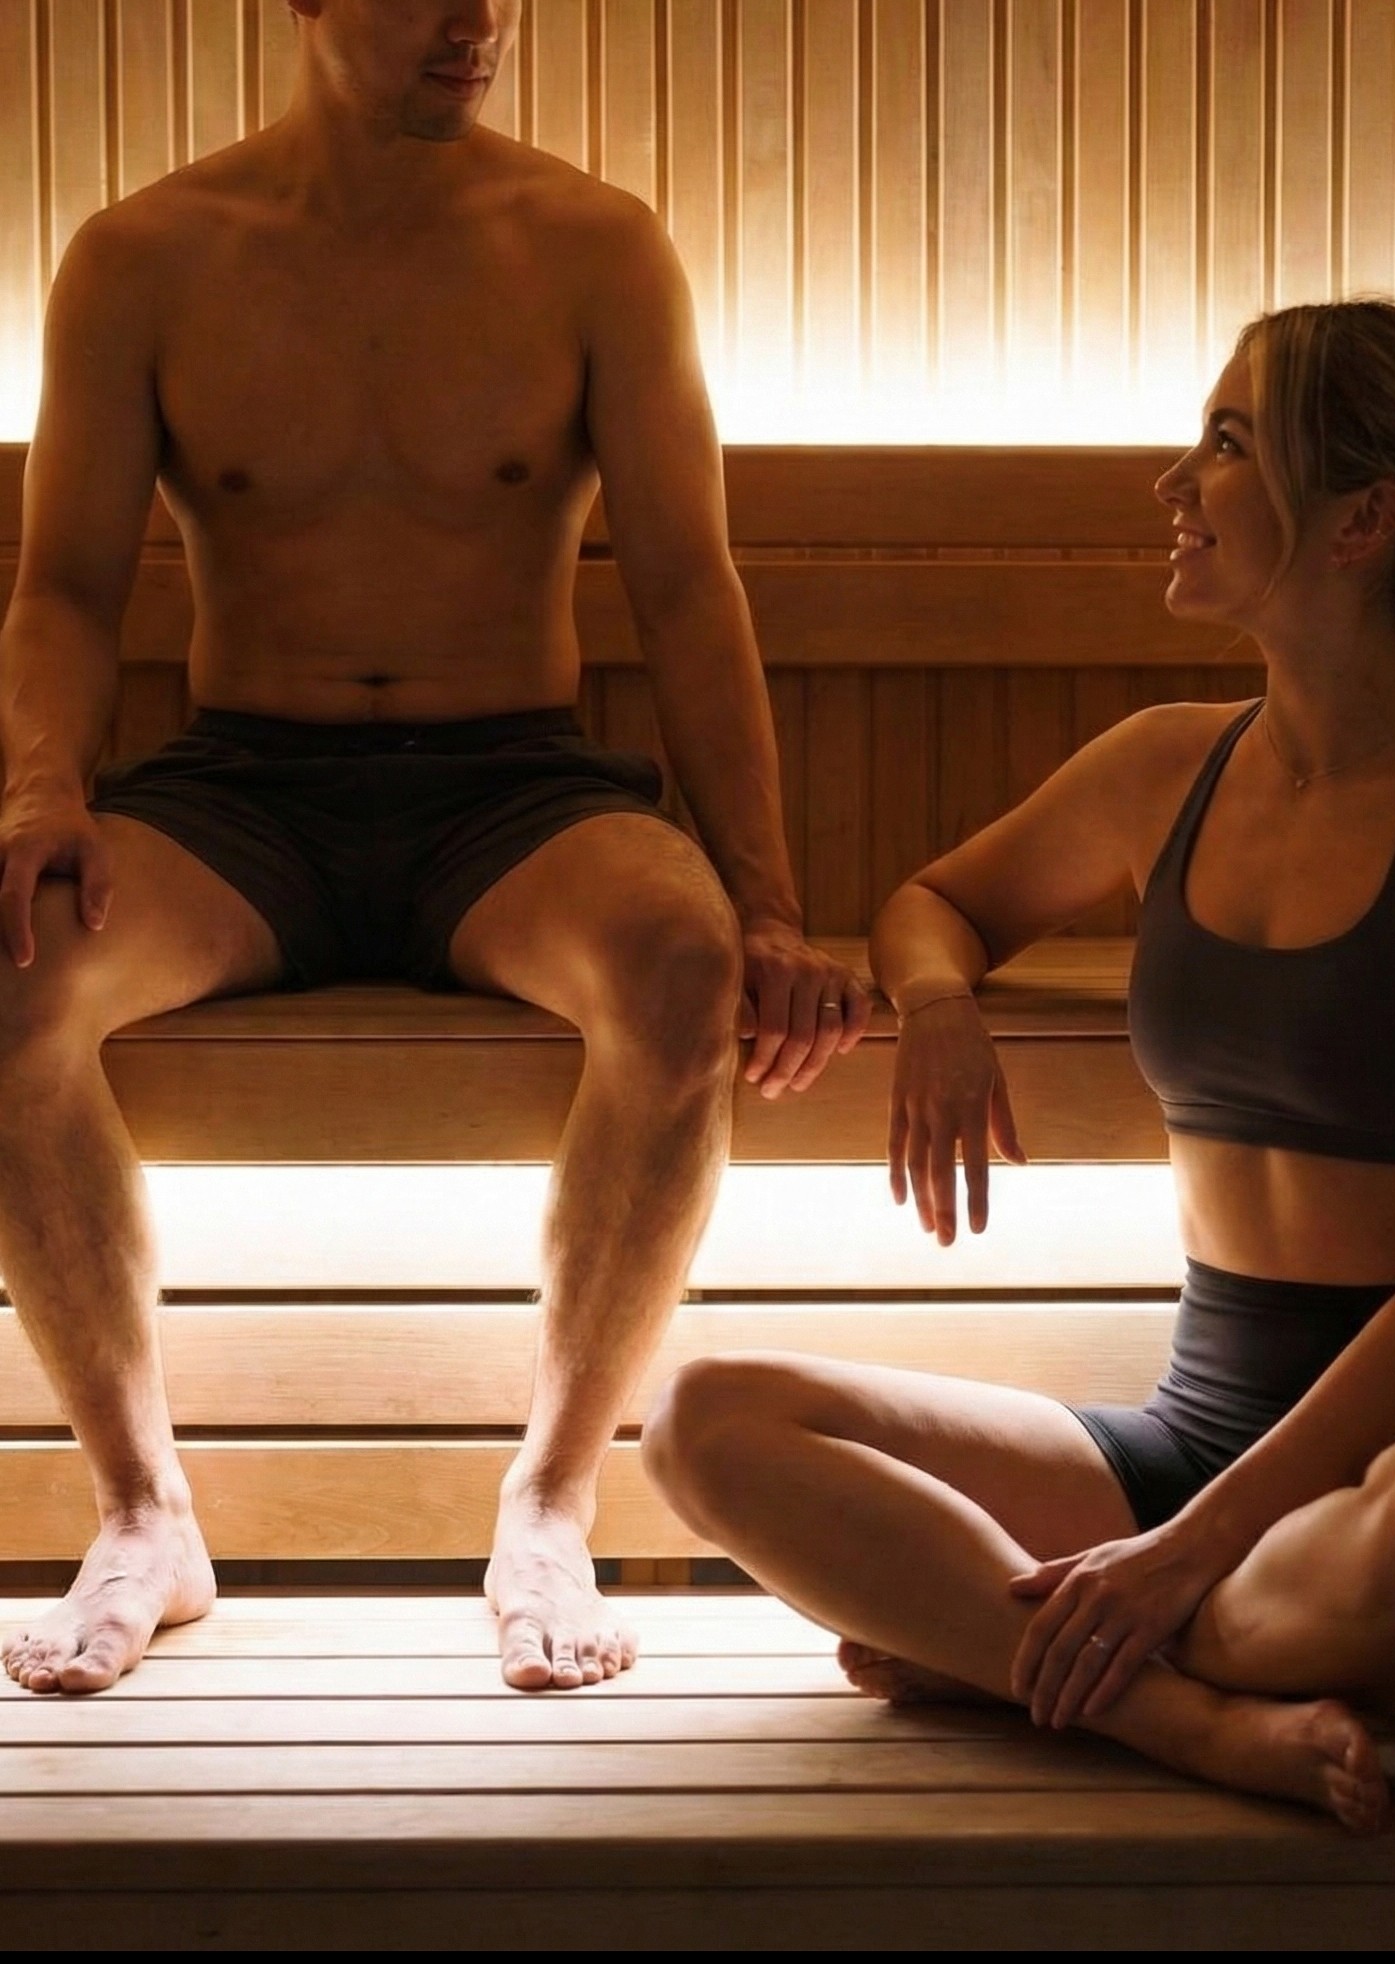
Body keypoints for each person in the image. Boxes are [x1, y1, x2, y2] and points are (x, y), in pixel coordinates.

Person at [0, 0, 871, 1698]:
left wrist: (767, 900)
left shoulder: (595, 251)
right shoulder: (142, 259)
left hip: (511, 788)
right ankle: (141, 1511)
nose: (482, 21)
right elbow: (68, 590)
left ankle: (548, 1499)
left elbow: (690, 591)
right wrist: (42, 788)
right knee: (12, 969)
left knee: (683, 971)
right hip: (246, 787)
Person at [643, 298, 1395, 1833]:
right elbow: (939, 902)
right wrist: (932, 1008)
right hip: (1201, 1425)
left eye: (1228, 444)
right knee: (708, 1417)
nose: (1172, 483)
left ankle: (1007, 1643)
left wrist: (1182, 1551)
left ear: (1358, 521)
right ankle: (1181, 1715)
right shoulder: (1162, 766)